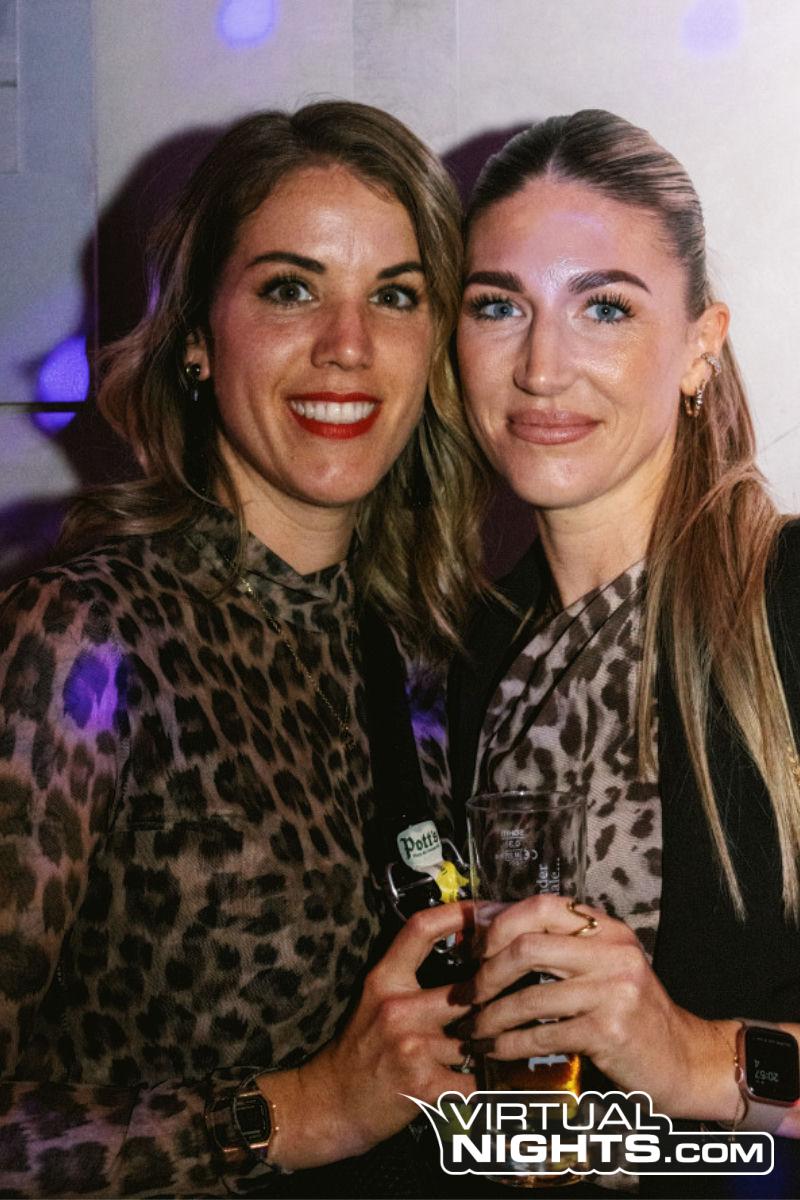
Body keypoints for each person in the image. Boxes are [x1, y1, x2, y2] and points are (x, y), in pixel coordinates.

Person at [0, 101, 488, 1198]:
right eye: (289, 288)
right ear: (194, 339)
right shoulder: (82, 640)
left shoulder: (429, 655)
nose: (347, 345)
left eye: (395, 295)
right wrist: (305, 1109)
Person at [446, 110, 800, 1196]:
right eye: (499, 306)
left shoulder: (787, 606)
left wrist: (691, 1057)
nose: (541, 368)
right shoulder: (456, 655)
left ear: (699, 345)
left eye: (604, 307)